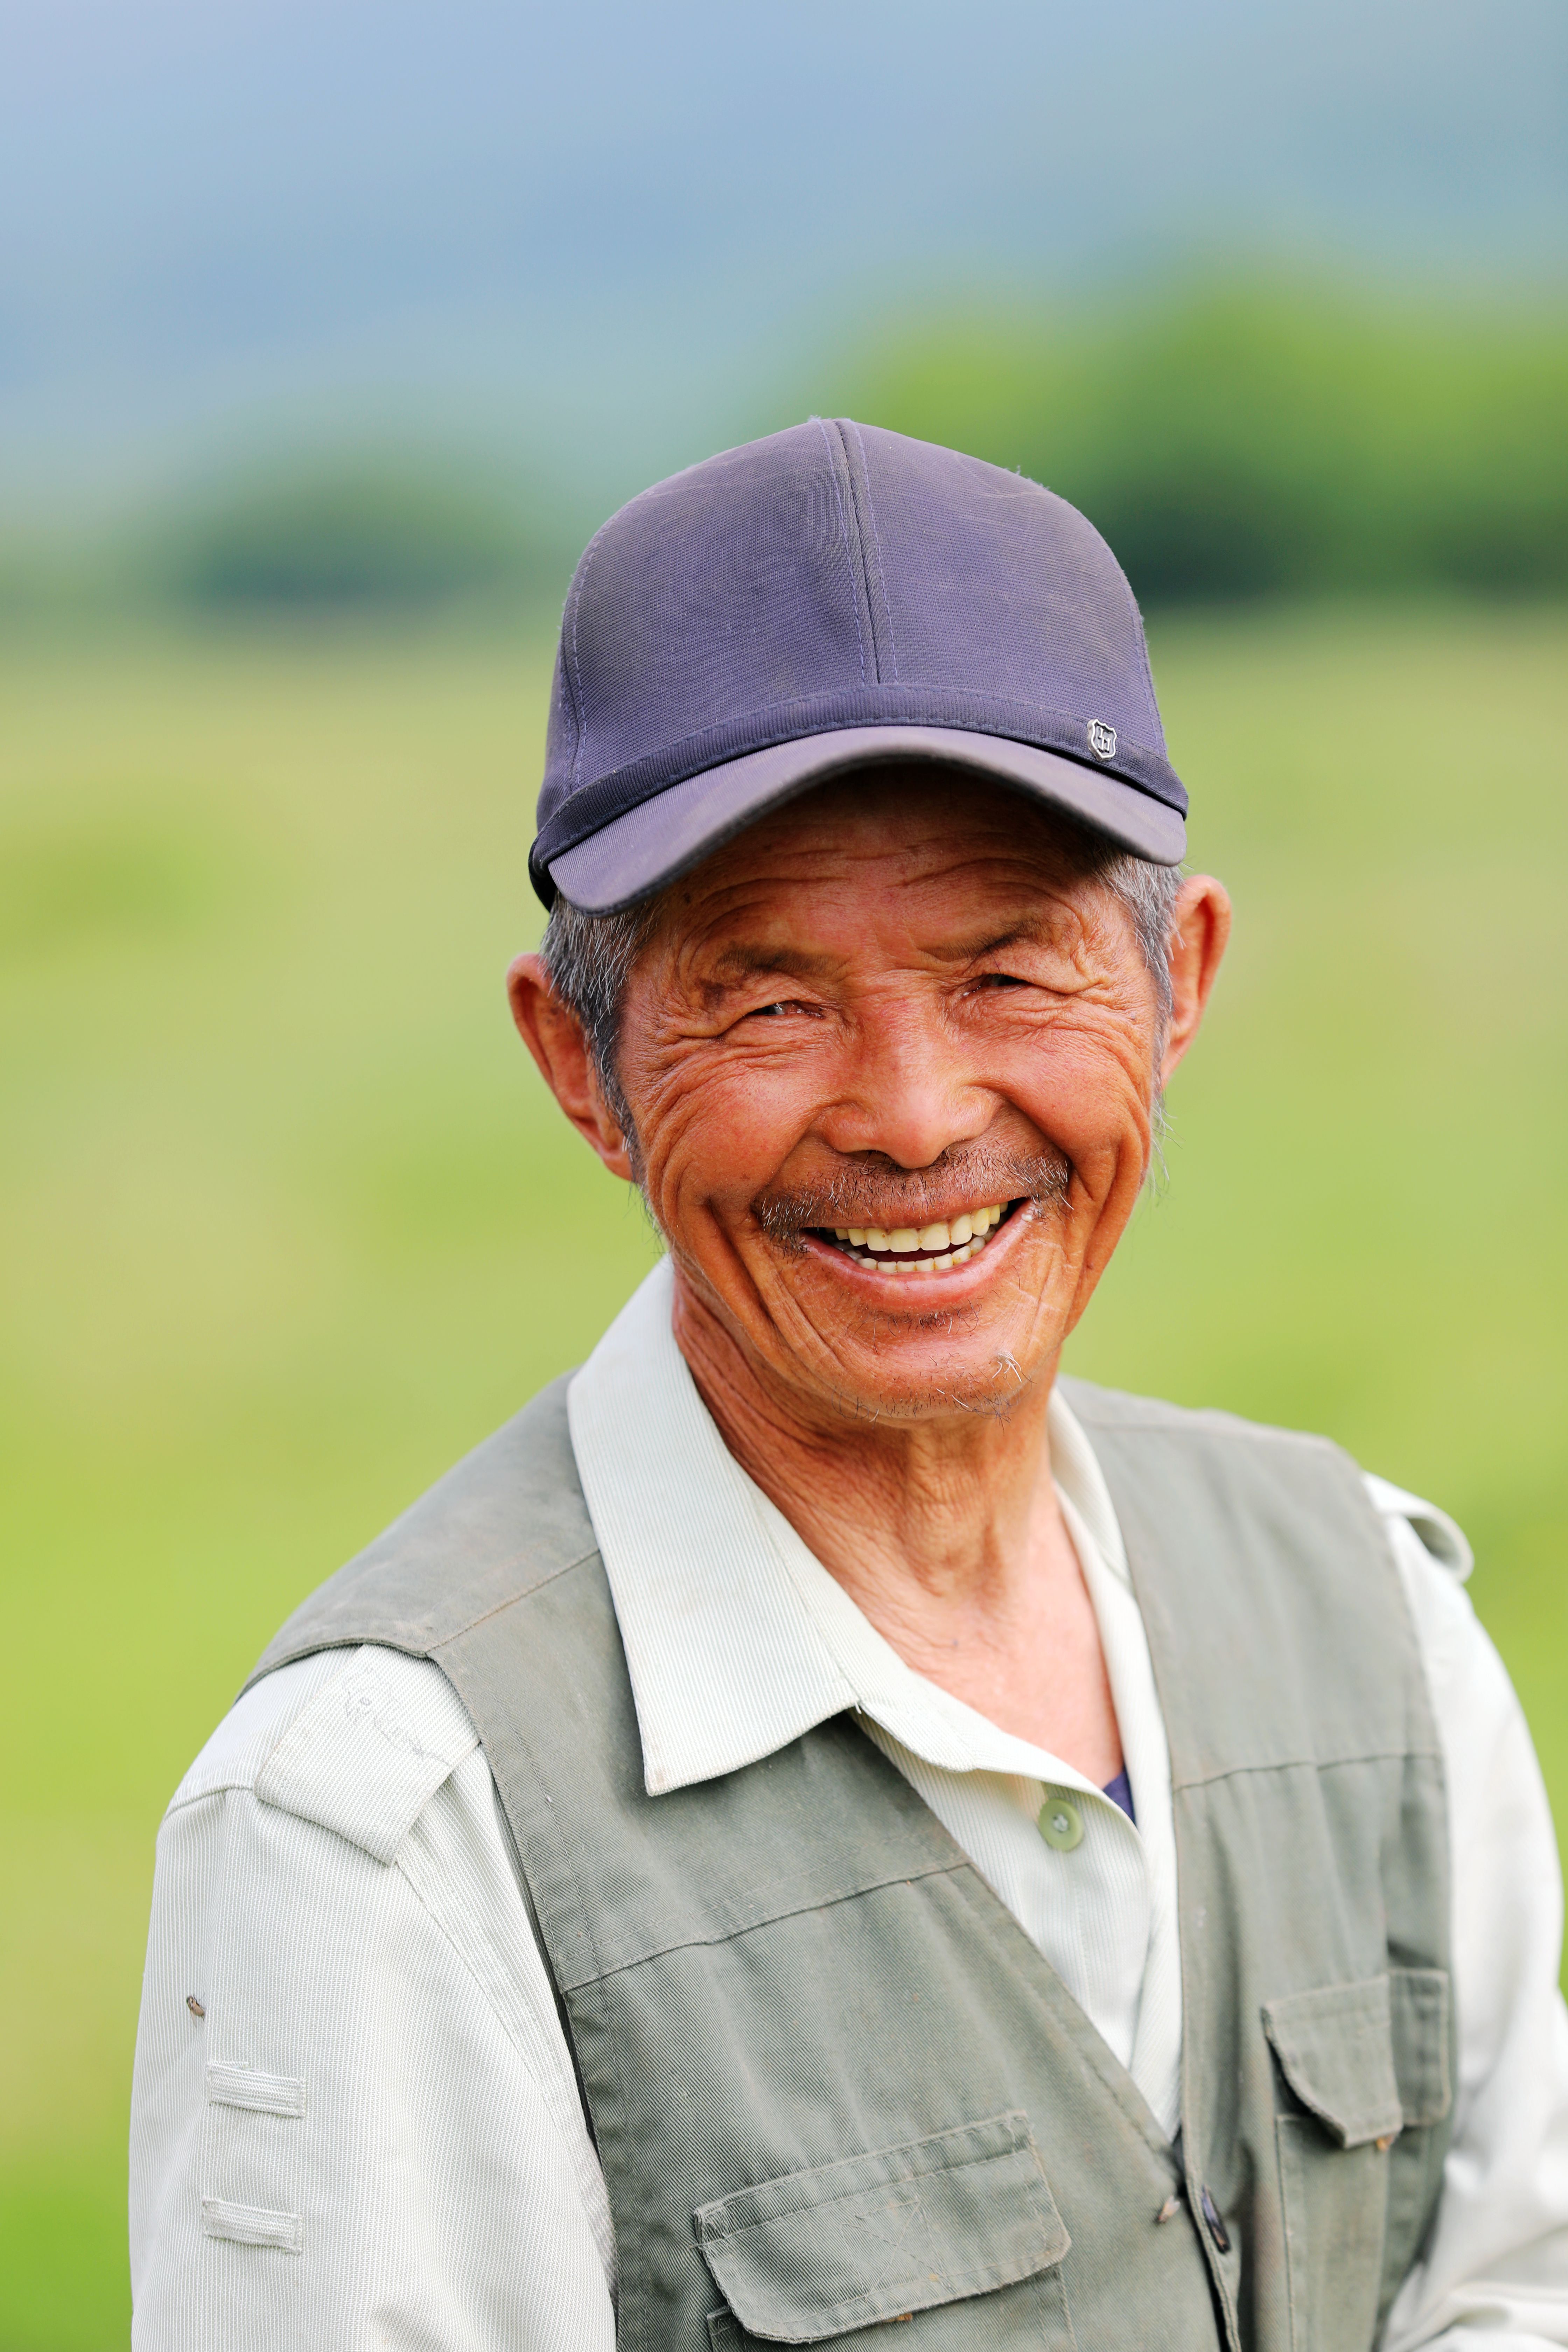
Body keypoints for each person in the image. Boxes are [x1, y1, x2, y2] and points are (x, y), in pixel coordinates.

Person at [129, 422, 1568, 2351]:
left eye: (1007, 974)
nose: (909, 1114)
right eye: (771, 1000)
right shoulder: (382, 1828)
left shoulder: (1373, 1619)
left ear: (1179, 992)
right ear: (581, 1067)